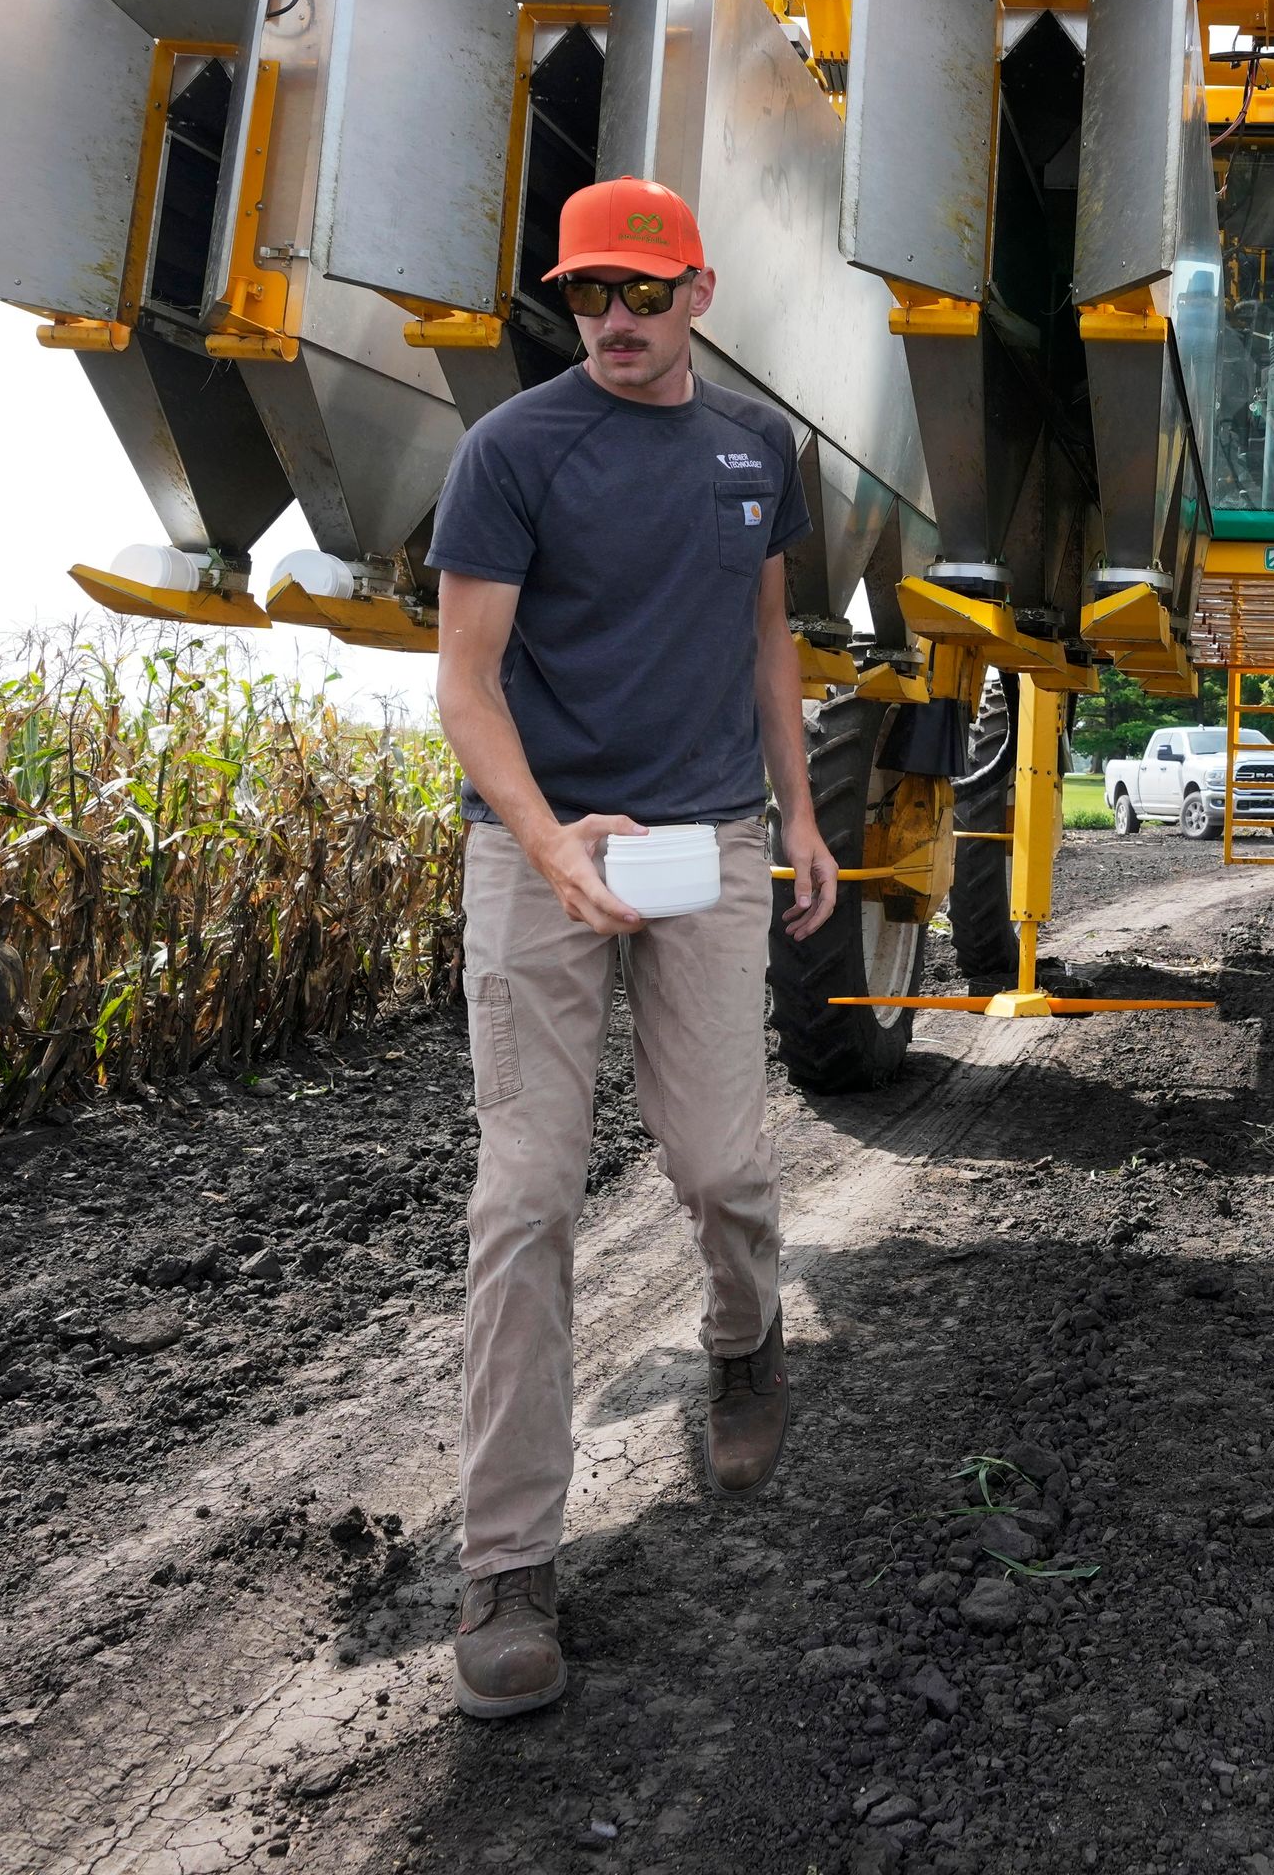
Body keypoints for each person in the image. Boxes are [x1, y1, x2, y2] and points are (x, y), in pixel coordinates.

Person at [426, 174, 838, 1721]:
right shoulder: (510, 453)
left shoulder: (754, 449)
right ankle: (510, 1563)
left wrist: (797, 814)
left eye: (641, 293)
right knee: (526, 1194)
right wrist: (548, 844)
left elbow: (763, 632)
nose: (612, 318)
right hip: (543, 847)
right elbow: (468, 686)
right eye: (589, 292)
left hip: (712, 843)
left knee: (722, 1163)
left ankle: (746, 1339)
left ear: (698, 297)